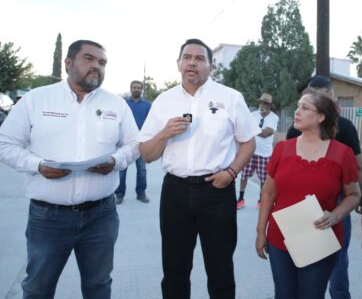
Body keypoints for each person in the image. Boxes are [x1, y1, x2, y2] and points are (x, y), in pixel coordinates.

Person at [0, 39, 140, 298]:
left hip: (101, 216)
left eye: (102, 62)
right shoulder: (36, 99)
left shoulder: (116, 104)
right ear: (68, 63)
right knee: (39, 287)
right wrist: (37, 166)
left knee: (98, 286)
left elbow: (134, 145)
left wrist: (115, 161)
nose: (96, 66)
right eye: (89, 59)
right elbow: (4, 144)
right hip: (48, 218)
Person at [138, 38, 260, 299]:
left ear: (211, 66)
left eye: (199, 58)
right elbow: (146, 155)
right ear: (178, 64)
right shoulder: (163, 101)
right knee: (174, 270)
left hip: (217, 191)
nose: (192, 62)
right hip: (175, 192)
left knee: (221, 269)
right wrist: (164, 134)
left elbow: (248, 141)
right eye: (187, 57)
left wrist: (231, 172)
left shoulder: (230, 98)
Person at [256, 88, 361, 298]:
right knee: (284, 295)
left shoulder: (342, 153)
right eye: (298, 107)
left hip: (319, 239)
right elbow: (268, 193)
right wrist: (261, 232)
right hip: (280, 239)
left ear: (321, 117)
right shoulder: (282, 149)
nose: (297, 112)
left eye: (305, 108)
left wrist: (336, 215)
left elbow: (354, 194)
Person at [286, 74, 362, 299]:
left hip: (337, 201)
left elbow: (359, 165)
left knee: (332, 259)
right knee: (311, 257)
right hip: (304, 203)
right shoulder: (297, 127)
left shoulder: (346, 127)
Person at [237, 92, 279, 209]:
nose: (263, 105)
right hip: (251, 151)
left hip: (264, 154)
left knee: (263, 179)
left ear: (269, 105)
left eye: (265, 103)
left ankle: (261, 200)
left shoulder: (274, 117)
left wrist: (253, 128)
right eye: (261, 102)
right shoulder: (253, 114)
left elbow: (266, 133)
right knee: (244, 176)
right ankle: (241, 199)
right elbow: (245, 129)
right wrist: (257, 129)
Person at [115, 80, 152, 204]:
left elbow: (151, 123)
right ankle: (119, 194)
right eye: (134, 87)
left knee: (141, 169)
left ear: (141, 89)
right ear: (130, 89)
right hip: (125, 142)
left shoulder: (147, 105)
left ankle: (141, 194)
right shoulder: (124, 104)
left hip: (141, 142)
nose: (136, 89)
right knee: (122, 169)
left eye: (138, 87)